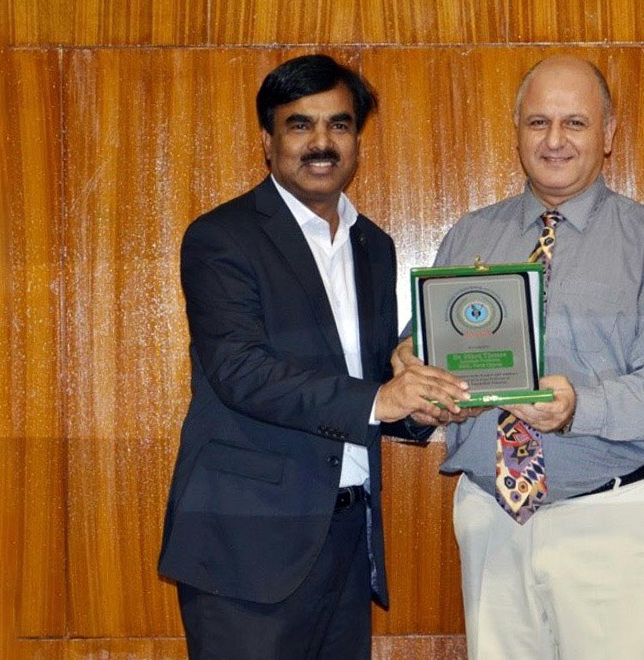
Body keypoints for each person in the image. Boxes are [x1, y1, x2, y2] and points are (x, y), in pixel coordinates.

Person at [394, 55, 644, 659]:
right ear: (516, 131)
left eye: (575, 123)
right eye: (538, 122)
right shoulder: (470, 236)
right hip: (492, 517)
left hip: (612, 518)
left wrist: (578, 408)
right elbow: (424, 350)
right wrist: (418, 381)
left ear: (609, 134)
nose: (555, 140)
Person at [157, 54, 470, 660]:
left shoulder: (372, 244)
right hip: (248, 547)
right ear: (267, 141)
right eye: (300, 125)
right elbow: (240, 372)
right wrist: (383, 398)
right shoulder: (222, 237)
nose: (321, 143)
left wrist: (419, 405)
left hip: (349, 539)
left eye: (340, 125)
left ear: (357, 139)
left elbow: (373, 374)